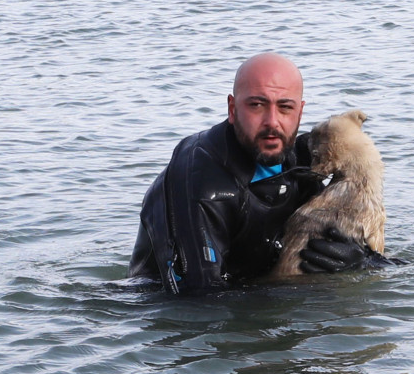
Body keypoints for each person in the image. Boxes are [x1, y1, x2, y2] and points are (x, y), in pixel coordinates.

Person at [130, 53, 382, 294]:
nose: (272, 121)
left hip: (255, 287)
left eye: (285, 107)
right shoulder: (200, 183)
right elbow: (198, 299)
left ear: (300, 112)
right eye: (257, 105)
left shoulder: (301, 162)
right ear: (232, 108)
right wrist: (287, 292)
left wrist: (363, 260)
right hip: (154, 302)